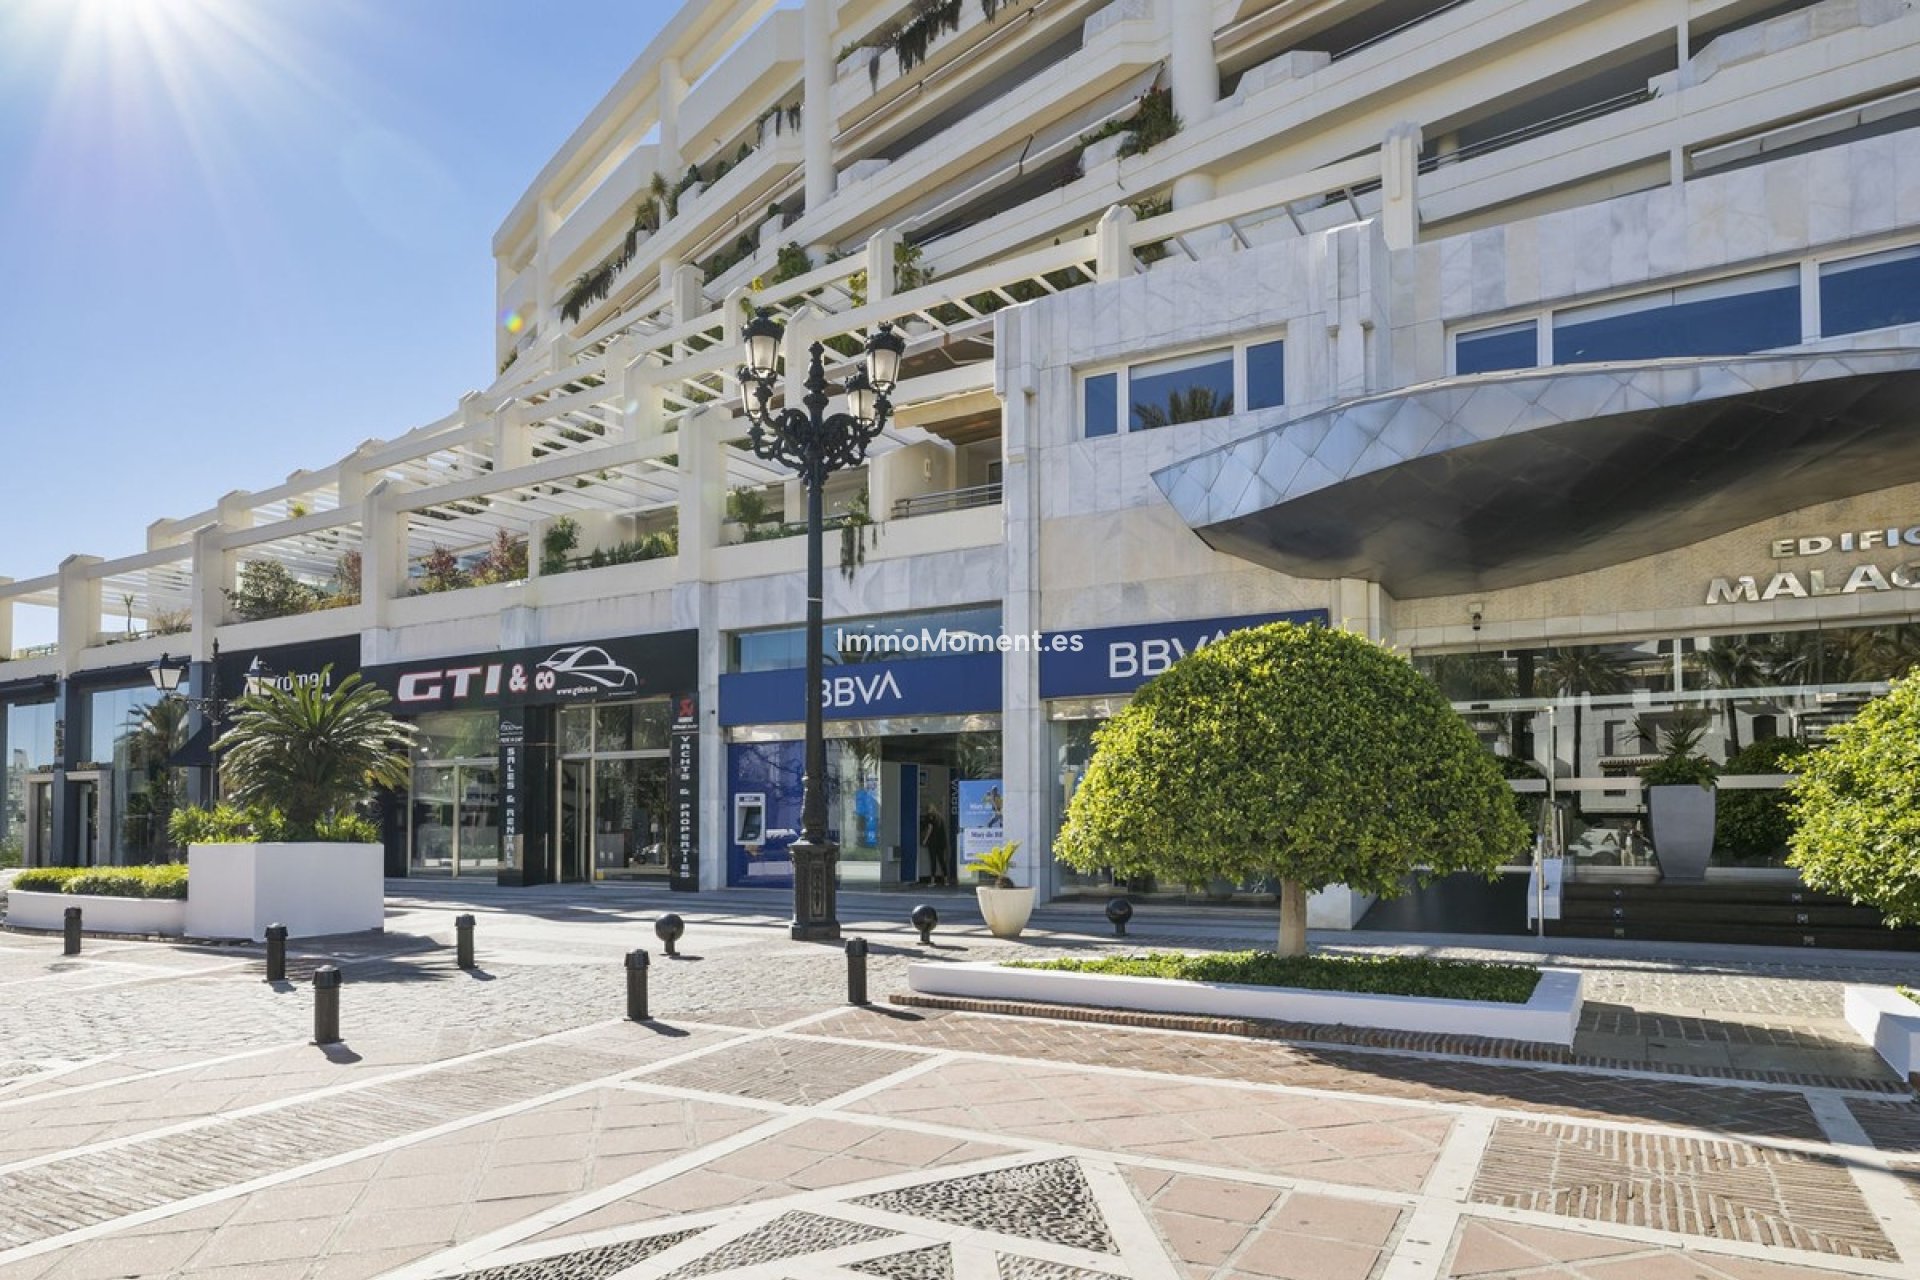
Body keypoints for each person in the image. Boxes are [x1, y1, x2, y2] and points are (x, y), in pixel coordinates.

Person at [919, 805, 951, 886]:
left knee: (933, 861)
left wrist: (925, 840)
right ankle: (946, 880)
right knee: (942, 861)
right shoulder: (940, 817)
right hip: (941, 842)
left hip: (933, 842)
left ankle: (932, 881)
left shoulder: (930, 817)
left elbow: (930, 829)